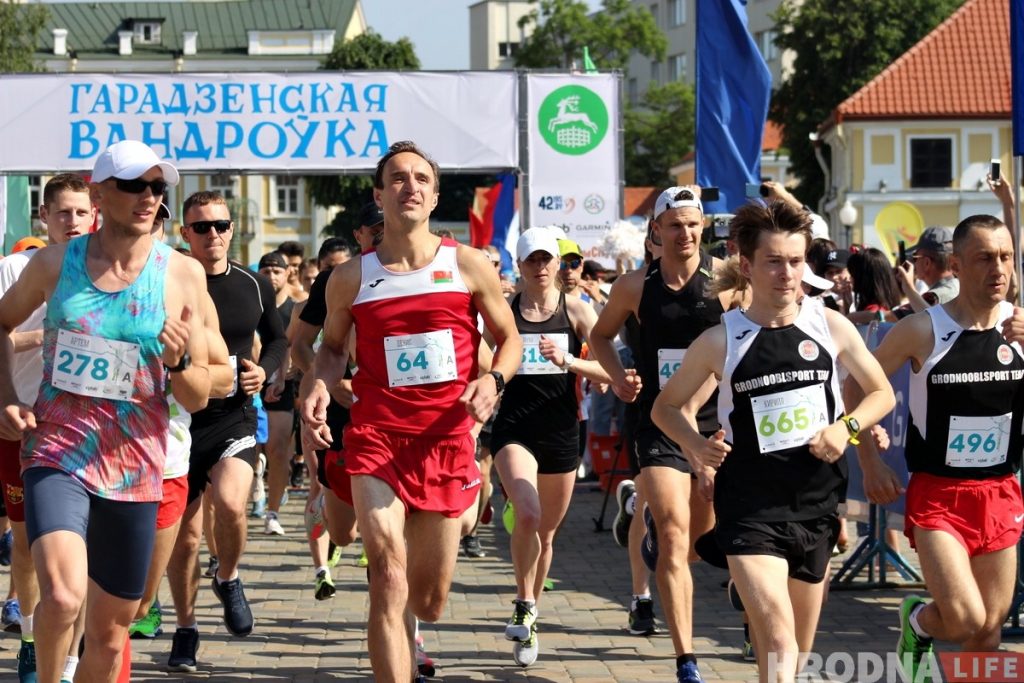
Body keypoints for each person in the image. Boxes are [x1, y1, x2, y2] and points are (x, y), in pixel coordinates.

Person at [301, 140, 522, 682]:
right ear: (379, 195)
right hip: (377, 437)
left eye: (421, 178)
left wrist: (493, 379)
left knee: (428, 600)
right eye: (397, 179)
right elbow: (331, 347)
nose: (410, 187)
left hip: (447, 440)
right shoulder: (351, 277)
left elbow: (509, 337)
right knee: (388, 575)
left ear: (435, 194)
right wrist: (318, 386)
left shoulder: (466, 264)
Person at [651, 200, 894, 683]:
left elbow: (881, 392)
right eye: (774, 262)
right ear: (747, 265)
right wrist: (696, 449)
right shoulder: (723, 340)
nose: (787, 273)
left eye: (796, 261)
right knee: (779, 641)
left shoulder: (830, 326)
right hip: (750, 509)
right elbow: (665, 408)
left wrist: (844, 430)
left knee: (792, 657)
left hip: (816, 504)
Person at [0, 140, 212, 683]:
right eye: (134, 185)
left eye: (157, 188)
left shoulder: (182, 274)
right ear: (99, 195)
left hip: (136, 462)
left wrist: (181, 359)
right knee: (65, 596)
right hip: (59, 449)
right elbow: (1, 322)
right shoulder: (54, 263)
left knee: (112, 633)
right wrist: (6, 396)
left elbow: (198, 395)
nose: (148, 197)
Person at [859, 214, 1023, 682]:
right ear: (958, 265)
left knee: (989, 631)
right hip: (939, 496)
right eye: (985, 258)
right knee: (966, 617)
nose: (999, 269)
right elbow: (857, 385)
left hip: (1000, 490)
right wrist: (869, 458)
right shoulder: (923, 331)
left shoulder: (1020, 329)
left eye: (1006, 257)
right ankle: (917, 622)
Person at [589, 186, 724, 683]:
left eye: (692, 224)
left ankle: (650, 536)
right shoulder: (633, 286)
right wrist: (618, 376)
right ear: (657, 231)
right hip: (657, 422)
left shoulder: (727, 283)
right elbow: (600, 335)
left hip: (713, 423)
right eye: (674, 225)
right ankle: (686, 658)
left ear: (703, 228)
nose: (684, 233)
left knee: (699, 542)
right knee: (671, 532)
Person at [492, 227, 634, 667]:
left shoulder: (575, 310)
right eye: (531, 260)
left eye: (547, 259)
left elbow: (612, 367)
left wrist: (570, 361)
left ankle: (533, 610)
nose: (540, 267)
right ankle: (521, 601)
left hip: (561, 430)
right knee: (529, 514)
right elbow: (478, 356)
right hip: (514, 427)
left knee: (547, 532)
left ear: (559, 264)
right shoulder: (503, 310)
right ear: (519, 265)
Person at [166, 191, 287, 672]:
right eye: (201, 227)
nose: (212, 234)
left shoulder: (253, 283)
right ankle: (185, 627)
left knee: (234, 504)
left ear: (232, 229)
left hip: (232, 415)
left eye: (220, 225)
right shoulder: (169, 281)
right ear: (185, 234)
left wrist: (267, 370)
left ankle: (230, 576)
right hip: (176, 419)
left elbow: (277, 338)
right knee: (187, 538)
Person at [0, 173, 96, 682]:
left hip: (83, 429)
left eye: (82, 213)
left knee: (77, 552)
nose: (74, 223)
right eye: (63, 213)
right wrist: (42, 336)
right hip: (21, 420)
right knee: (25, 541)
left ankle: (73, 654)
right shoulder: (16, 268)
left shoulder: (106, 267)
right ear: (44, 218)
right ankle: (33, 634)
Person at [128, 203, 234, 644]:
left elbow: (223, 374)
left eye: (154, 221)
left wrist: (181, 365)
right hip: (84, 453)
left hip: (164, 452)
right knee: (75, 592)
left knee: (132, 603)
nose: (144, 229)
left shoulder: (183, 280)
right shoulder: (75, 273)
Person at [255, 250, 297, 537]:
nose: (271, 275)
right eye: (266, 270)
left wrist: (285, 373)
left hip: (282, 386)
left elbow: (298, 346)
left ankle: (273, 512)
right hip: (248, 386)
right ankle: (252, 494)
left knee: (278, 449)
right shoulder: (250, 302)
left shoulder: (295, 309)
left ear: (287, 274)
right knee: (250, 453)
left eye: (277, 271)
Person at [895, 226, 959, 313]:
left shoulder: (933, 297)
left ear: (926, 263)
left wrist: (908, 286)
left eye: (915, 257)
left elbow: (892, 317)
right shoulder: (961, 287)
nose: (914, 263)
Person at [846, 247, 902, 324]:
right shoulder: (888, 307)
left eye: (853, 274)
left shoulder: (869, 315)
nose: (849, 279)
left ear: (864, 278)